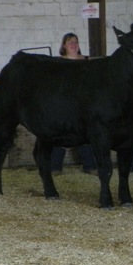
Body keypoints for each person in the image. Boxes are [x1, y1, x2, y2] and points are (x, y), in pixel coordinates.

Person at [50, 33, 98, 175]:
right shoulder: (58, 62)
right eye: (70, 42)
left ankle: (89, 166)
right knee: (61, 132)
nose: (73, 44)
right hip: (64, 102)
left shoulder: (86, 60)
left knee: (85, 132)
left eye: (76, 42)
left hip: (83, 102)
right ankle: (55, 166)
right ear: (64, 45)